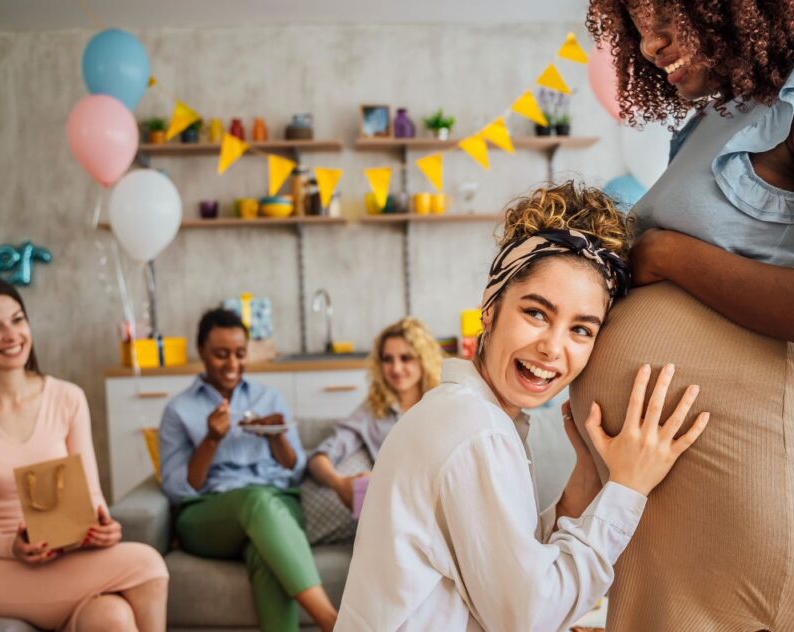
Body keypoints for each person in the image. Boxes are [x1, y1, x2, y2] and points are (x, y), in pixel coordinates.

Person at [570, 2, 794, 629]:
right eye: (634, 23)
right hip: (676, 480)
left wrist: (670, 254)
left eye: (663, 13)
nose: (650, 43)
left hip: (761, 476)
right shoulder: (716, 118)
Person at [336, 182, 710, 630]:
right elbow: (529, 616)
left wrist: (583, 485)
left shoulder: (467, 414)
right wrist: (627, 489)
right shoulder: (473, 431)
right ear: (490, 310)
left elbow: (506, 571)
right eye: (536, 313)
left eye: (581, 330)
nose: (552, 348)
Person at [0, 275, 168, 631]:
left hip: (60, 557)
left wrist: (102, 530)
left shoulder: (67, 398)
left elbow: (89, 496)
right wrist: (8, 546)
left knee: (112, 618)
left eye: (18, 320)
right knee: (146, 564)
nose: (12, 336)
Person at [157, 308, 337, 632]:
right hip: (208, 516)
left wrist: (277, 436)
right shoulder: (179, 409)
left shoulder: (270, 398)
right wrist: (211, 440)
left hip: (279, 505)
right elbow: (178, 488)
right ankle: (332, 621)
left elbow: (295, 470)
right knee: (255, 500)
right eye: (221, 355)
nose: (232, 365)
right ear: (201, 352)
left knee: (264, 552)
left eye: (240, 354)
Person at [307, 317, 442, 508]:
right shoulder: (371, 412)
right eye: (388, 359)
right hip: (397, 505)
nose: (396, 369)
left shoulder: (443, 401)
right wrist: (339, 484)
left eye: (406, 358)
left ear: (423, 360)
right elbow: (321, 456)